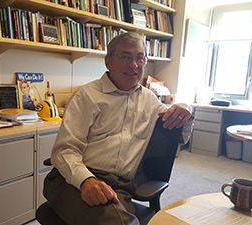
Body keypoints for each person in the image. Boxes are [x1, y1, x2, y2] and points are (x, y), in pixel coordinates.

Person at [43, 32, 192, 225]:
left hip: (121, 186)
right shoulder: (86, 97)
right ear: (108, 61)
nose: (134, 65)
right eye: (125, 57)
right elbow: (65, 151)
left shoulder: (150, 100)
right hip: (73, 180)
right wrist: (86, 181)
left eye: (140, 58)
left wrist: (186, 110)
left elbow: (180, 134)